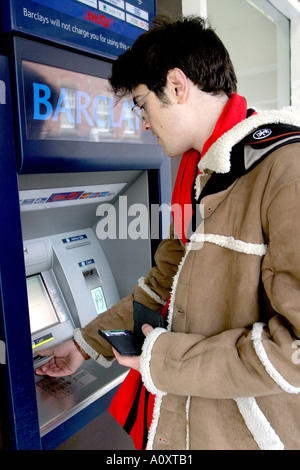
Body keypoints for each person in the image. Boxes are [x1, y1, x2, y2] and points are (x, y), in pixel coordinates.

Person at [36, 15, 300, 450]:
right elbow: (164, 289)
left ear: (177, 86)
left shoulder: (284, 171)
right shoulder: (199, 178)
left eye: (142, 103)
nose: (142, 122)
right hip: (191, 425)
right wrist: (84, 345)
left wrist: (164, 359)